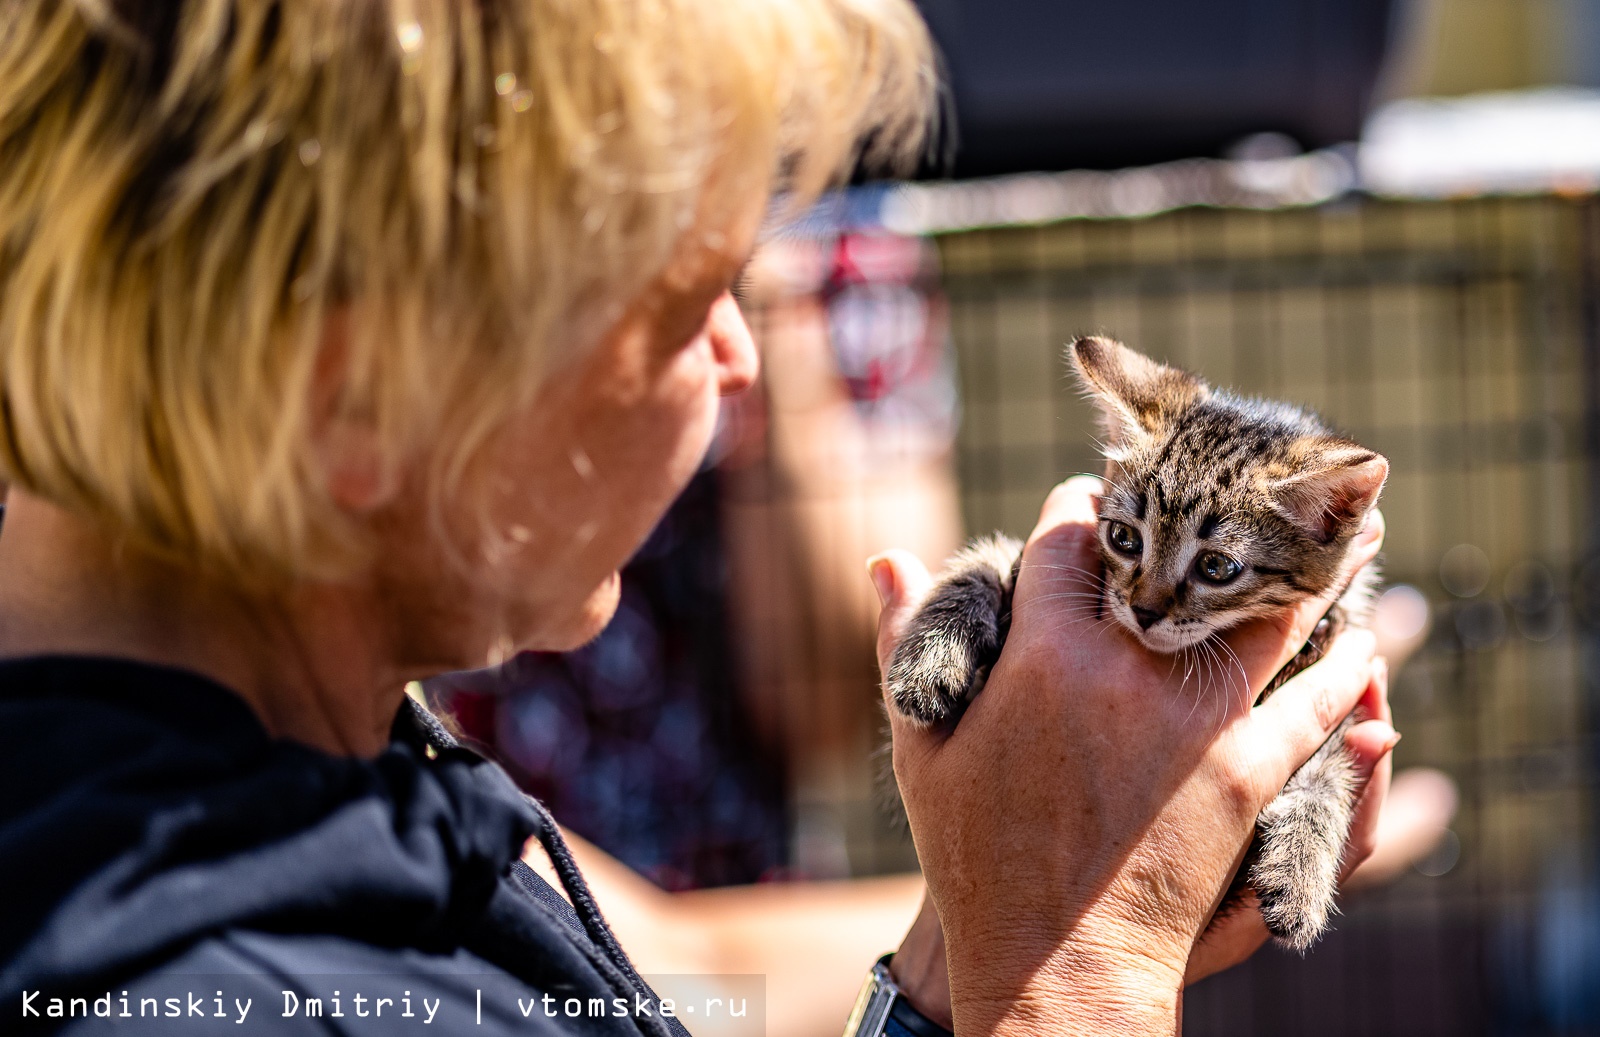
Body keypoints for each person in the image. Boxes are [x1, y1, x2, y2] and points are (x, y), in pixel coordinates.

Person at [0, 4, 1398, 1036]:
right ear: (357, 395)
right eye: (689, 299)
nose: (740, 364)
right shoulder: (223, 995)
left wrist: (971, 952)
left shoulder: (305, 774)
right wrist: (1077, 979)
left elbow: (672, 968)